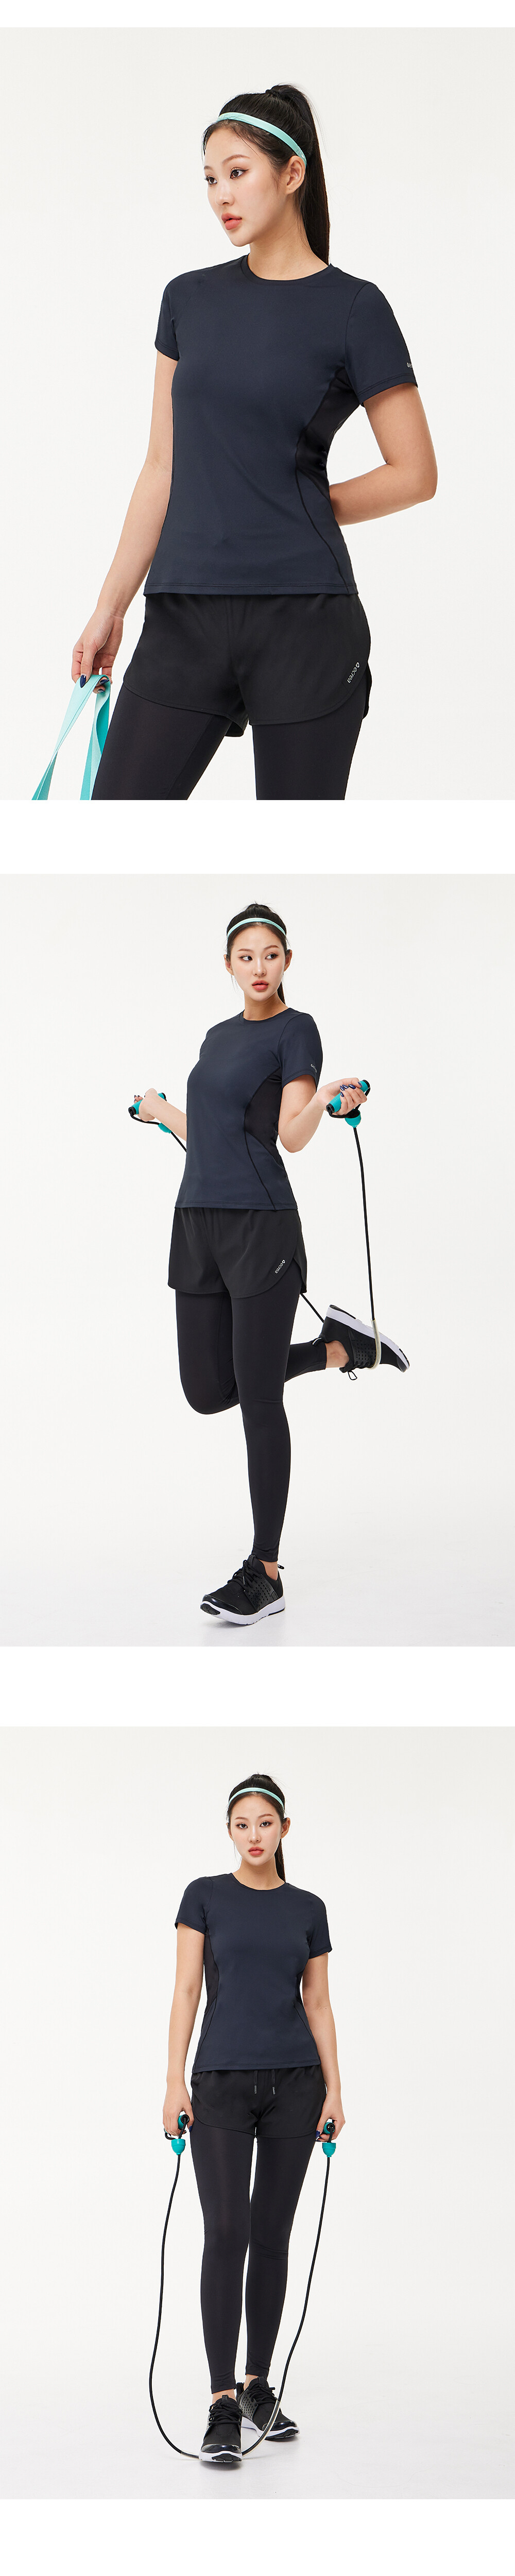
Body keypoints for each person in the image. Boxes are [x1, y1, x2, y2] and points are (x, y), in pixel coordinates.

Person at [72, 82, 437, 803]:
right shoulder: (188, 299)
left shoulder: (355, 308)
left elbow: (415, 472)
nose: (221, 196)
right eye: (211, 178)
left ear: (293, 173)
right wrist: (111, 607)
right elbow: (161, 467)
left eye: (238, 172)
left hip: (306, 620)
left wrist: (299, 506)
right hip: (182, 616)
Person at [133, 900, 408, 1625]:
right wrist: (162, 1111)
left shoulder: (296, 1030)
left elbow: (290, 1135)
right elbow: (216, 1134)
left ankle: (266, 1571)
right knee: (206, 1389)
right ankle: (339, 1349)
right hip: (197, 1224)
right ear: (228, 965)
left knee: (257, 1399)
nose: (259, 968)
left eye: (271, 955)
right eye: (246, 957)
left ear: (288, 961)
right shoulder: (216, 1036)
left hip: (263, 1229)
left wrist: (326, 1097)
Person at [163, 1771, 344, 2467]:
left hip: (298, 2085)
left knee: (271, 2238)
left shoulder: (308, 1908)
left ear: (284, 1829)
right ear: (230, 1831)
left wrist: (334, 2089)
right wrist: (173, 2083)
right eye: (243, 1824)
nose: (254, 1835)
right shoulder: (204, 1896)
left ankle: (257, 2387)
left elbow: (318, 2003)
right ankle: (220, 2403)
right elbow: (186, 1990)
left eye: (266, 1823)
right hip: (220, 2084)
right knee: (227, 2233)